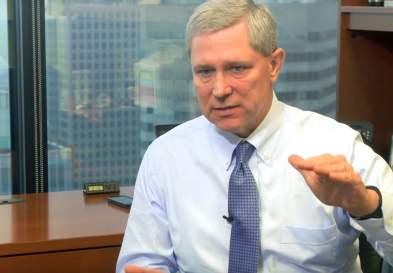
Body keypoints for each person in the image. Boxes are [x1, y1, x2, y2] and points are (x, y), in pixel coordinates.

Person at [116, 0, 393, 272]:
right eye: (205, 72)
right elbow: (143, 262)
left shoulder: (337, 146)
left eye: (237, 68)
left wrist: (365, 206)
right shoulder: (165, 156)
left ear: (274, 64)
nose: (220, 89)